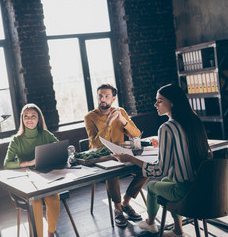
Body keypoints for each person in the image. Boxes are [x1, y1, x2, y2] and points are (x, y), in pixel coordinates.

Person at [113, 84, 212, 237]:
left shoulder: (166, 128)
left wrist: (130, 158)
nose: (155, 104)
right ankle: (177, 230)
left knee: (152, 185)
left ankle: (151, 223)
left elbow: (160, 169)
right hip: (202, 187)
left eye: (159, 101)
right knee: (167, 180)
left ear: (172, 103)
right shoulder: (194, 121)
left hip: (184, 192)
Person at [84, 83, 148, 227]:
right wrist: (108, 123)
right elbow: (95, 144)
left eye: (107, 96)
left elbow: (137, 134)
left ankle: (126, 201)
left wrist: (123, 120)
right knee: (112, 172)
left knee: (146, 168)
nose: (103, 99)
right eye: (100, 95)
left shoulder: (120, 111)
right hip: (102, 156)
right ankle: (118, 208)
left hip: (122, 153)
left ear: (113, 99)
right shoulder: (90, 117)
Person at [4, 103, 60, 237]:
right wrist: (28, 163)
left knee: (53, 199)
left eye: (33, 116)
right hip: (27, 182)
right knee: (35, 203)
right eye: (26, 116)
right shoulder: (16, 140)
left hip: (45, 178)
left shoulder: (45, 134)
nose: (29, 119)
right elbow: (7, 164)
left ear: (39, 119)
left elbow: (60, 149)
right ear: (22, 119)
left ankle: (51, 233)